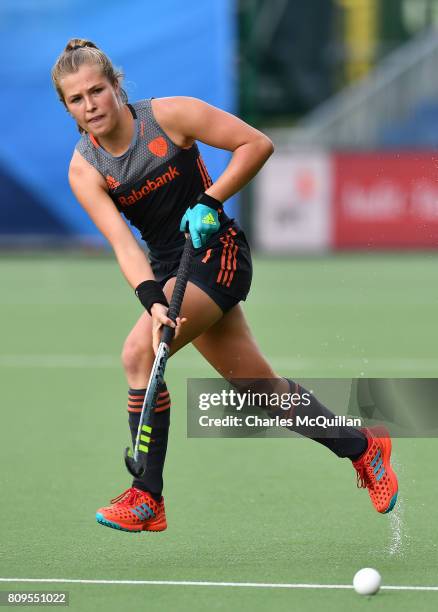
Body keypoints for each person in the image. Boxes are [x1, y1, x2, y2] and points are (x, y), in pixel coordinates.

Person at [51, 39, 398, 533]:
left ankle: (147, 495)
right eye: (77, 100)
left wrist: (210, 201)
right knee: (259, 389)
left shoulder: (170, 117)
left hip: (218, 254)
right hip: (172, 270)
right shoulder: (85, 168)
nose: (91, 106)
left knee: (137, 355)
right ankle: (364, 448)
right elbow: (125, 247)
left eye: (97, 91)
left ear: (115, 85)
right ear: (67, 108)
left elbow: (256, 144)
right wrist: (152, 302)